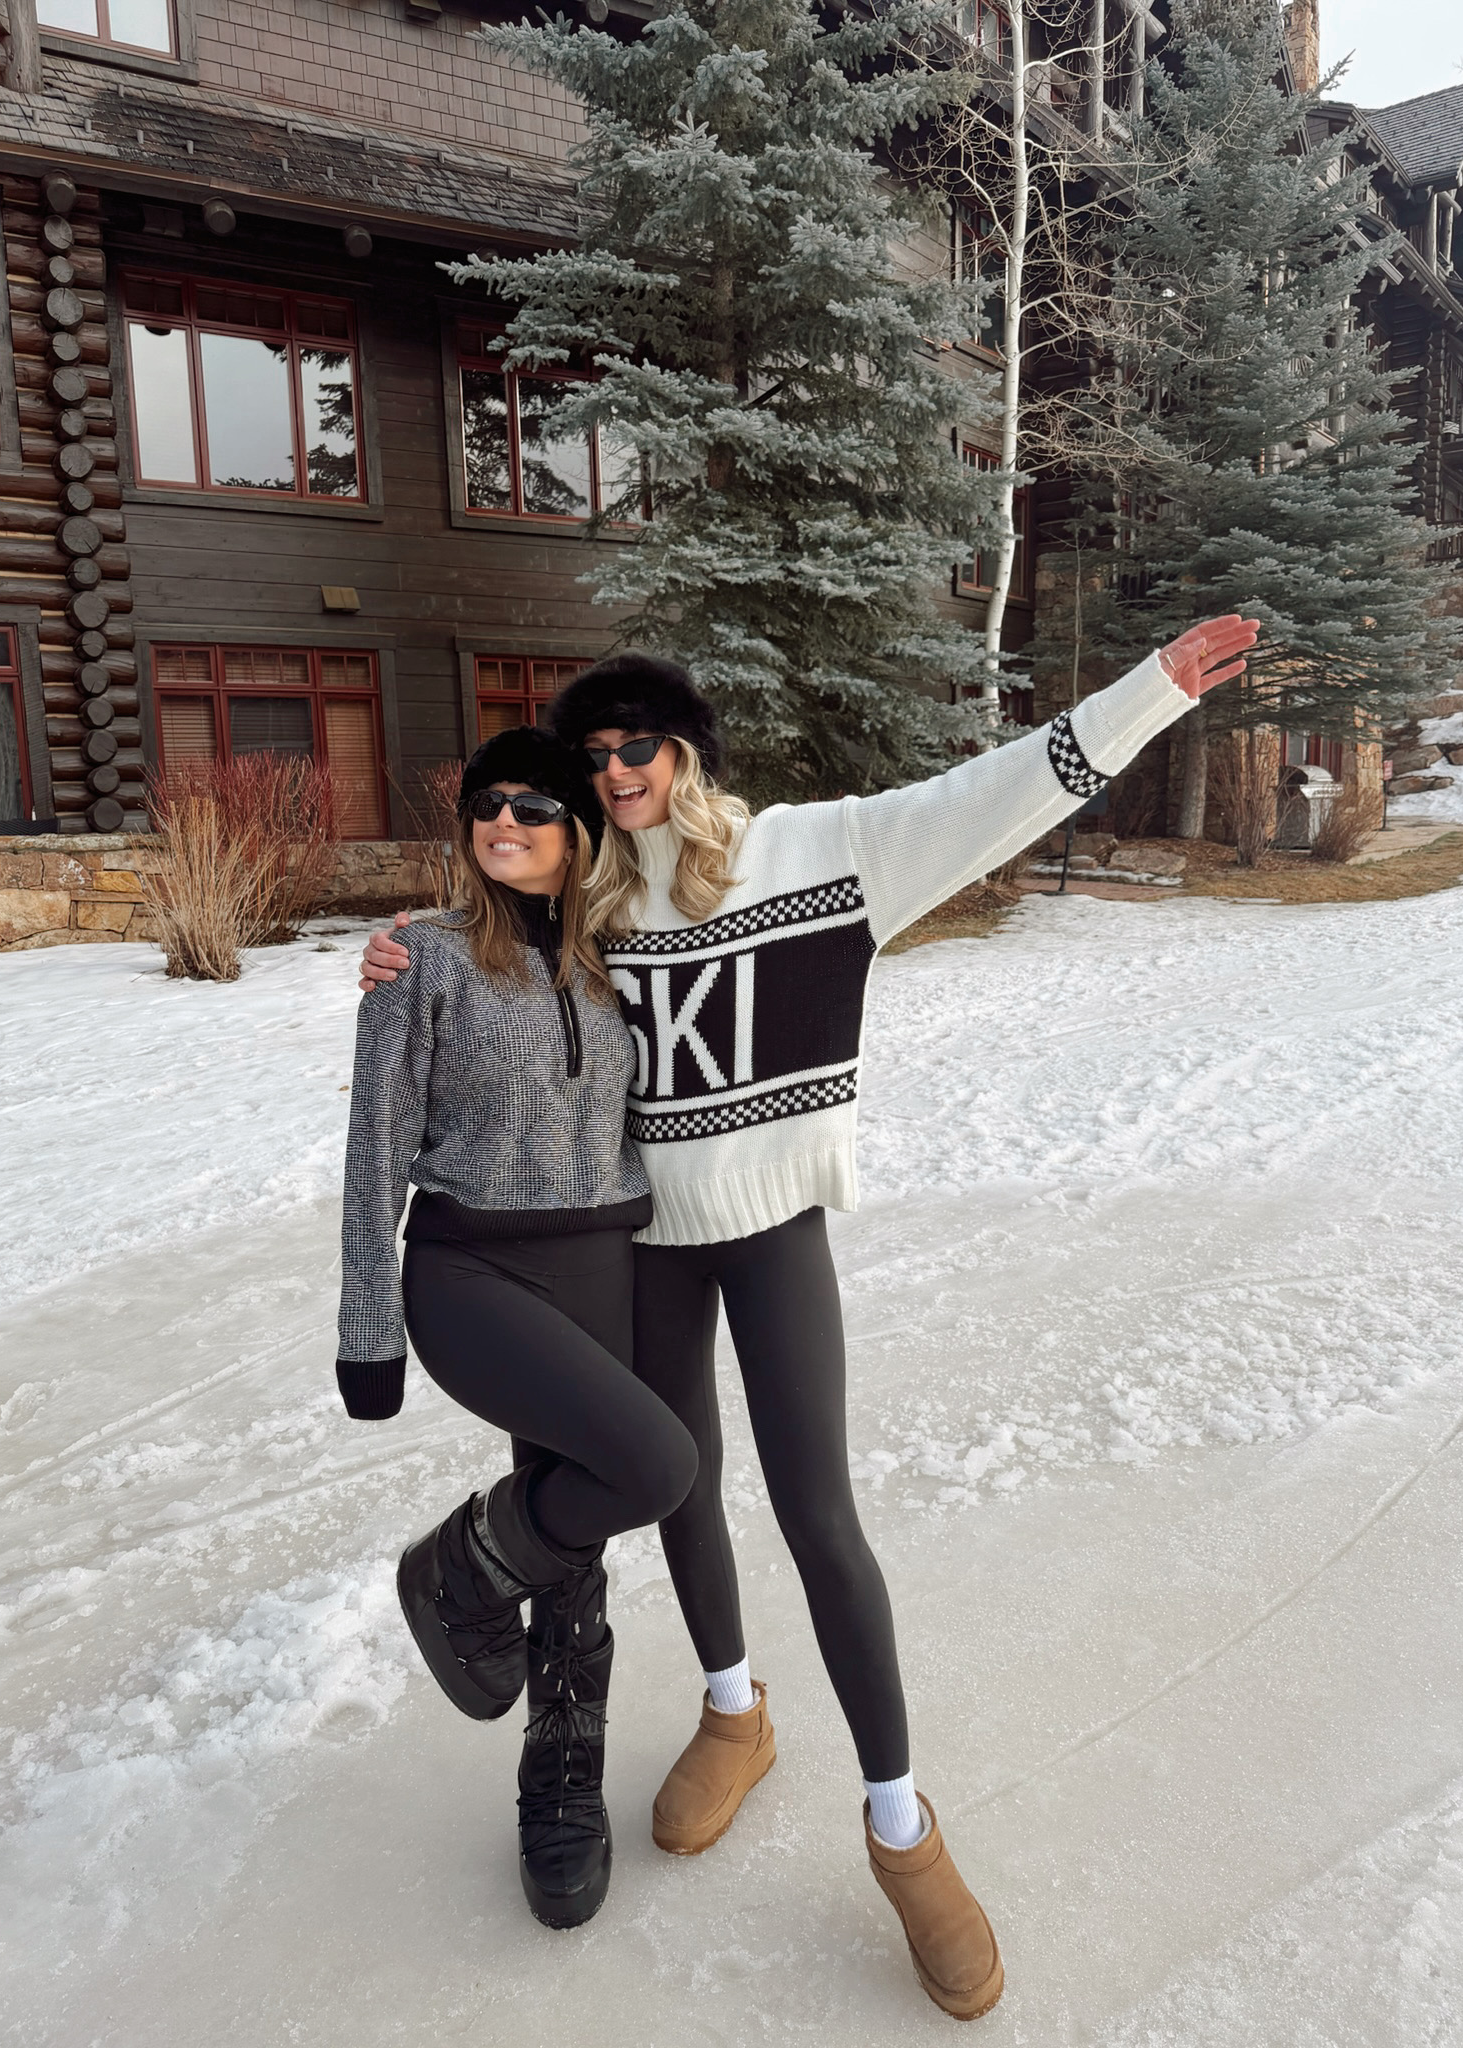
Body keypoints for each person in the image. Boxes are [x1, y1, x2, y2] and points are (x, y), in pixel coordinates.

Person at [361, 617, 1258, 2016]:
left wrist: (1150, 692)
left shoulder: (821, 854)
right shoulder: (590, 898)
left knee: (819, 1512)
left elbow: (994, 794)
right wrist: (392, 955)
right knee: (683, 1490)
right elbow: (491, 927)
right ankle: (735, 1710)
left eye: (635, 746)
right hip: (639, 1239)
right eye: (593, 757)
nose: (612, 774)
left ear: (688, 751)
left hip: (775, 1232)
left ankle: (904, 1830)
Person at [336, 724, 697, 1931]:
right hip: (471, 1264)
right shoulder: (423, 959)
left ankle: (562, 1779)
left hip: (603, 1257)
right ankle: (459, 1572)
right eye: (487, 803)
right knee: (653, 1465)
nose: (505, 822)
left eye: (536, 806)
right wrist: (367, 1321)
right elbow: (375, 1145)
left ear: (577, 831)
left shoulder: (621, 954)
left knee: (579, 1537)